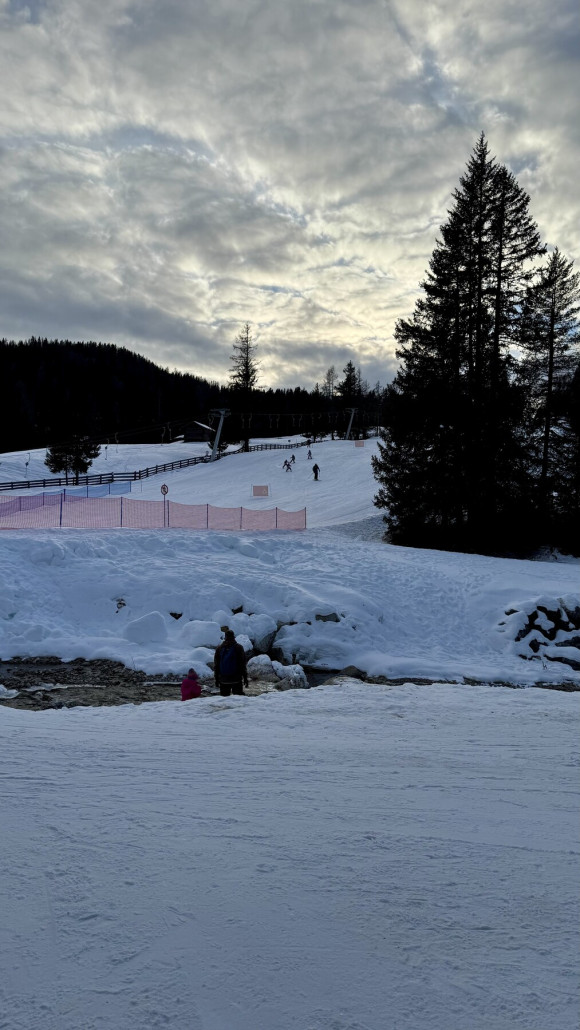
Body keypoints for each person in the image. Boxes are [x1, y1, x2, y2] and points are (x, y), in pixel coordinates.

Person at [214, 629, 248, 697]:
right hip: (236, 679)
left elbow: (216, 665)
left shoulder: (219, 648)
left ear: (225, 637)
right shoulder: (239, 647)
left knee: (224, 700)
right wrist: (245, 678)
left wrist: (216, 679)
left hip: (223, 680)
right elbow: (242, 664)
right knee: (238, 699)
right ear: (233, 637)